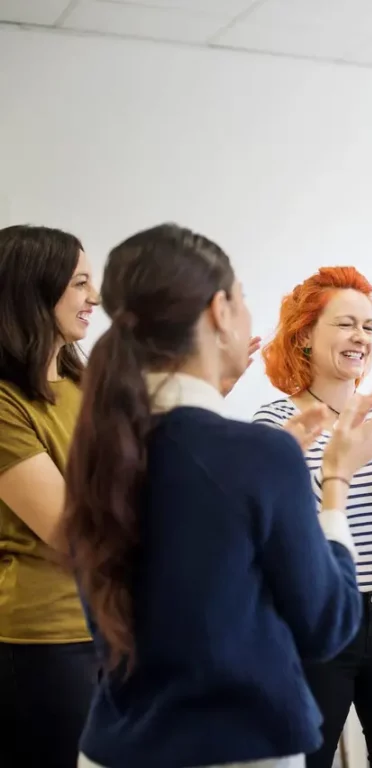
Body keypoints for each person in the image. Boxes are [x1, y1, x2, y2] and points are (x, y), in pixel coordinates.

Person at [63, 224, 372, 768]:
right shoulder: (257, 453)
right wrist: (336, 482)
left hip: (114, 746)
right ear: (219, 311)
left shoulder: (100, 449)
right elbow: (328, 625)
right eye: (241, 300)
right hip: (240, 747)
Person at [255, 266, 372, 768]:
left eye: (369, 327)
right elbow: (280, 525)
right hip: (316, 619)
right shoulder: (276, 422)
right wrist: (341, 462)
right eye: (346, 323)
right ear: (306, 337)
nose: (361, 337)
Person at [0, 225, 100, 767]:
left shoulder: (84, 385)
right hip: (44, 643)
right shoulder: (4, 404)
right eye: (80, 282)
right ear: (33, 289)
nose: (96, 298)